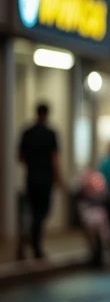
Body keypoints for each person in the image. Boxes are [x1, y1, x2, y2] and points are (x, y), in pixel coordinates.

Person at [18, 103, 62, 260]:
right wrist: (58, 178)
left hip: (31, 178)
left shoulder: (27, 132)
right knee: (41, 214)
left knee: (32, 212)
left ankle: (27, 242)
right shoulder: (50, 134)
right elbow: (54, 158)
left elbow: (21, 157)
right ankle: (35, 245)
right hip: (45, 179)